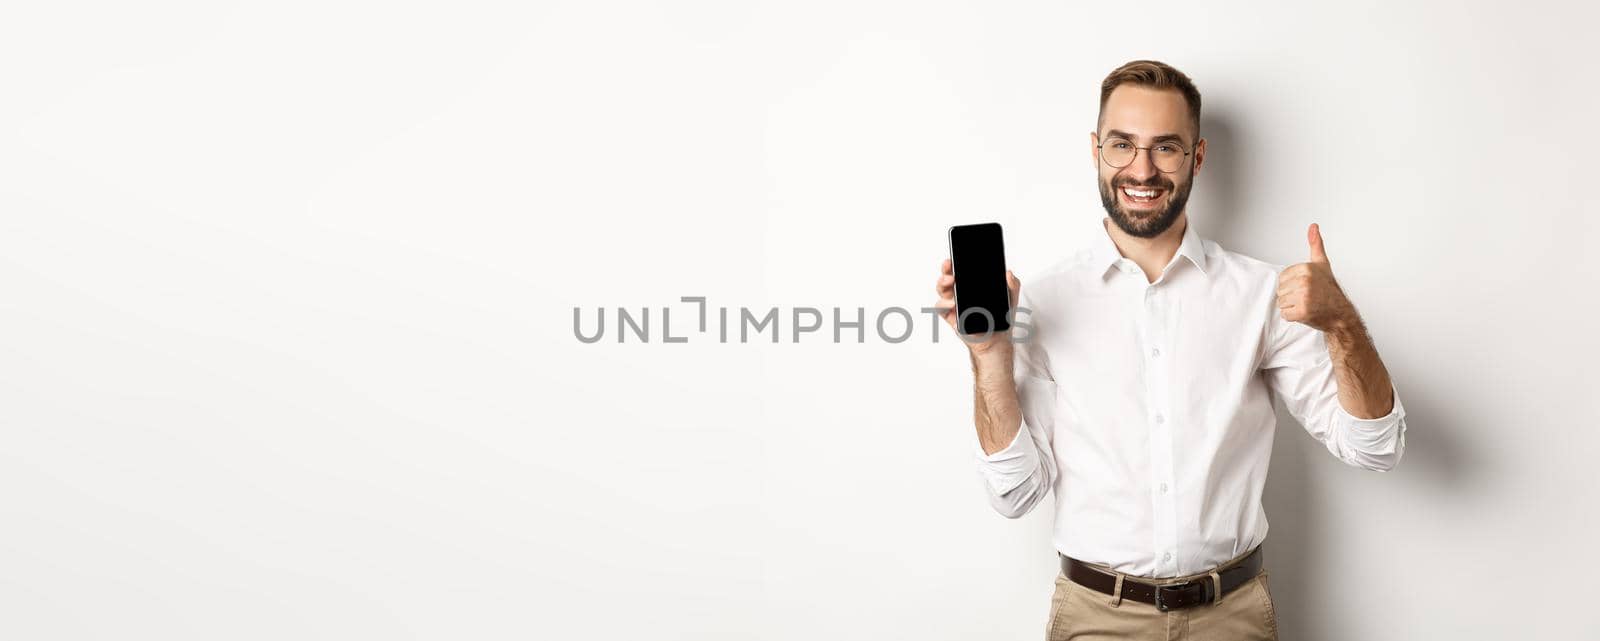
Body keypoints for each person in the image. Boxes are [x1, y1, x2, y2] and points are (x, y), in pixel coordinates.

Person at [932, 60, 1406, 641]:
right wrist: (988, 356)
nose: (1142, 168)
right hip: (1094, 620)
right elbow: (1014, 493)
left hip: (1232, 618)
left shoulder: (1262, 295)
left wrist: (1342, 326)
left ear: (1197, 158)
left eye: (1166, 148)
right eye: (1122, 145)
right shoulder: (1043, 302)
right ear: (1095, 151)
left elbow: (1375, 448)